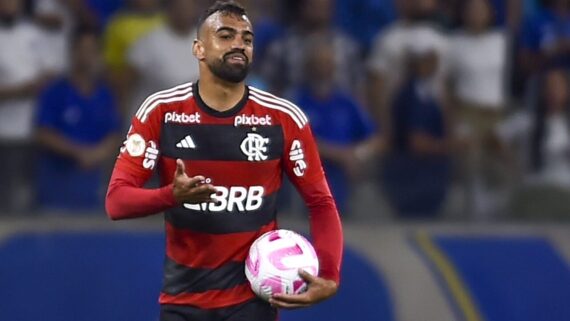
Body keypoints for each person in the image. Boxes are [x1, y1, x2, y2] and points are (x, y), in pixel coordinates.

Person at [105, 2, 343, 320]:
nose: (239, 45)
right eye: (226, 35)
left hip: (251, 304)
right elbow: (116, 202)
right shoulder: (161, 111)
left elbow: (321, 202)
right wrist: (171, 196)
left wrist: (330, 274)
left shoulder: (283, 118)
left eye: (246, 38)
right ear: (199, 49)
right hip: (183, 303)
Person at [35, 27, 121, 212]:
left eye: (92, 50)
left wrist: (97, 153)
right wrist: (78, 152)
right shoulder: (55, 91)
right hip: (57, 182)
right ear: (72, 51)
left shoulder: (105, 93)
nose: (86, 56)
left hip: (93, 184)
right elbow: (43, 133)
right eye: (82, 49)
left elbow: (114, 133)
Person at [0, 0, 53, 213]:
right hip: (2, 130)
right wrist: (20, 91)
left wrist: (34, 87)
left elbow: (50, 74)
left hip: (31, 129)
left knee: (24, 199)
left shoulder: (34, 35)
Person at [126, 0, 200, 120]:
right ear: (170, 9)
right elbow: (127, 83)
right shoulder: (150, 41)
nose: (185, 12)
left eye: (189, 7)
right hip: (152, 121)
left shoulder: (205, 41)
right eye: (181, 7)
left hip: (189, 122)